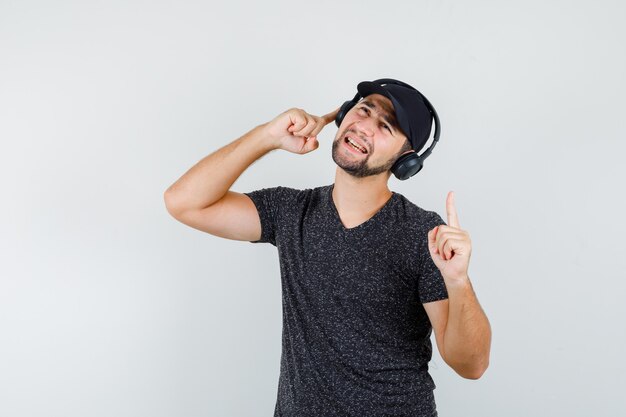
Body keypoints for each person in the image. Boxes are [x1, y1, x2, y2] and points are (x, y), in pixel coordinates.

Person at [164, 78, 492, 417]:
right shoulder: (292, 212)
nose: (364, 126)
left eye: (386, 126)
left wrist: (458, 282)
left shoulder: (422, 233)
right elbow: (184, 203)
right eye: (364, 110)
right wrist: (268, 136)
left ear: (405, 160)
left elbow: (472, 365)